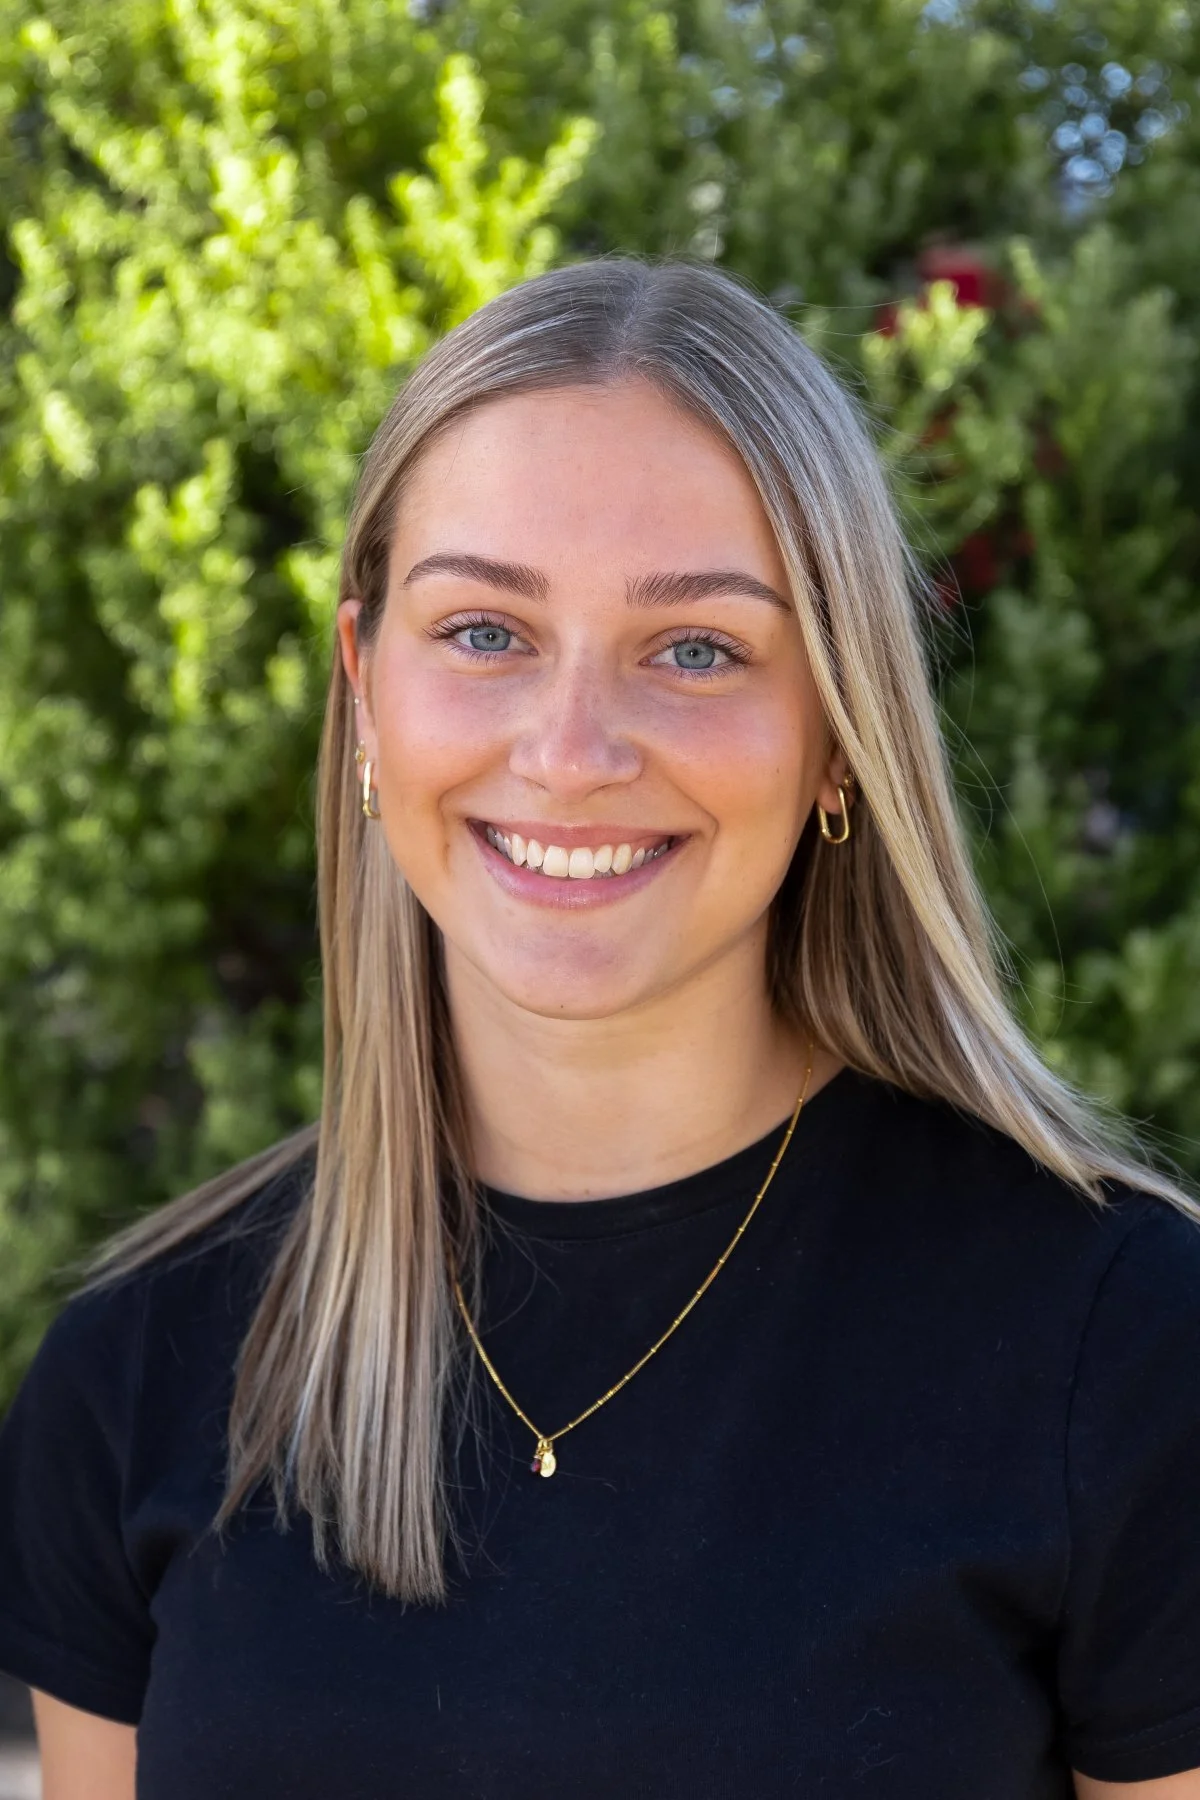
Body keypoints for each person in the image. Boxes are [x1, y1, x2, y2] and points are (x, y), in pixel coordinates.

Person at [0, 256, 1198, 1800]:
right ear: (366, 689)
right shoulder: (136, 1376)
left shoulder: (1122, 1350)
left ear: (839, 728)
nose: (570, 754)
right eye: (484, 631)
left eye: (696, 648)